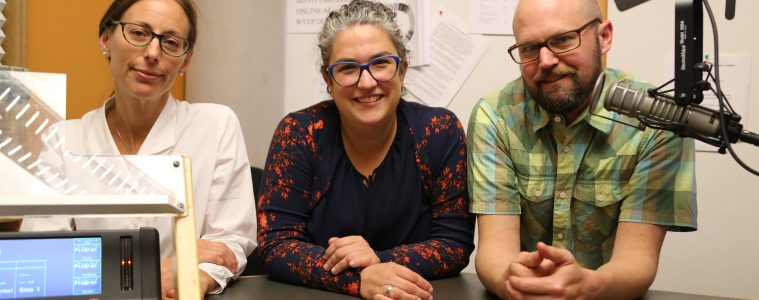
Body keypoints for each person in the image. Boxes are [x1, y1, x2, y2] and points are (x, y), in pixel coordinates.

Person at [20, 0, 256, 297]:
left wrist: (193, 278)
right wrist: (163, 268)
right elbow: (40, 261)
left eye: (171, 42)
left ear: (186, 60)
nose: (153, 53)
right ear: (106, 39)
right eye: (139, 33)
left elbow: (229, 246)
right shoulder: (63, 140)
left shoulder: (216, 125)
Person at [467, 0, 697, 298]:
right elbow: (494, 250)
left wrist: (588, 287)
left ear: (604, 37)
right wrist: (516, 283)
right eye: (529, 48)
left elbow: (637, 261)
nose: (546, 60)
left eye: (563, 40)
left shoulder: (657, 120)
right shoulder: (495, 115)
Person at [256, 0, 475, 298]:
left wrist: (376, 262)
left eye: (381, 63)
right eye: (347, 68)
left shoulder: (440, 131)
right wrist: (358, 280)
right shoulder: (298, 133)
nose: (367, 82)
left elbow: (454, 244)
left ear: (403, 69)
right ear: (328, 80)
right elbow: (276, 246)